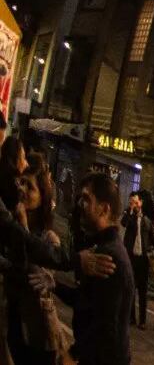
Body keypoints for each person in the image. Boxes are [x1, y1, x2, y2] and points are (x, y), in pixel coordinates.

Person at [36, 172, 135, 365]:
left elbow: (105, 323)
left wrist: (73, 354)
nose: (80, 204)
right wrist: (54, 285)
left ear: (104, 209)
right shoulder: (100, 247)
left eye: (87, 199)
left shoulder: (109, 256)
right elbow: (86, 300)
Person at [8, 153, 69, 365]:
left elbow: (33, 275)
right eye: (21, 183)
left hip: (37, 334)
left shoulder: (49, 239)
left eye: (30, 187)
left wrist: (23, 226)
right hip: (10, 324)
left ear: (43, 196)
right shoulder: (7, 225)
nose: (22, 189)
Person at [119, 192, 154, 330]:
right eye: (132, 202)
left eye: (135, 202)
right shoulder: (128, 216)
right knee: (130, 289)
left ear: (140, 203)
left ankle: (142, 320)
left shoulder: (147, 221)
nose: (134, 205)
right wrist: (130, 210)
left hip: (143, 260)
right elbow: (123, 223)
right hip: (131, 258)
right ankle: (131, 317)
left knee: (143, 291)